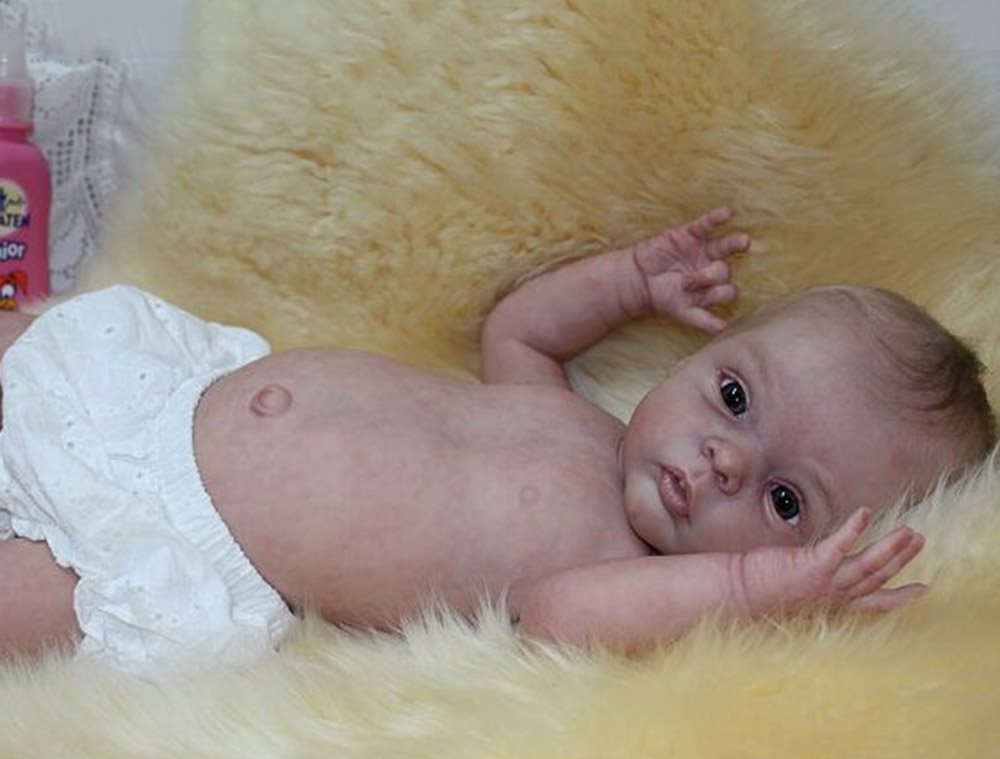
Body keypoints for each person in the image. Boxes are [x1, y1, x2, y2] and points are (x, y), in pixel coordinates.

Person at [0, 209, 993, 667]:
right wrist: (630, 282)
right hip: (168, 395)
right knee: (32, 344)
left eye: (784, 501)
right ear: (703, 356)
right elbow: (518, 332)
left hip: (187, 542)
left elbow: (553, 621)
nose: (727, 459)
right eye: (733, 395)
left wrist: (756, 591)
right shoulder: (576, 419)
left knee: (25, 605)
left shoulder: (621, 574)